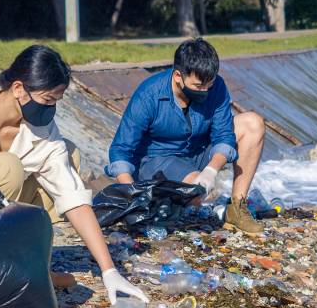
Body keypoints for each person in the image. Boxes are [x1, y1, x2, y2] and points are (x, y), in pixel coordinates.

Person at [0, 45, 148, 306]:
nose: (51, 108)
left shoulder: (41, 129)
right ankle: (2, 263)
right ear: (19, 88)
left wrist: (109, 270)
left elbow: (72, 197)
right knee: (8, 167)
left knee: (68, 154)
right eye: (47, 100)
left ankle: (9, 261)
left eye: (57, 101)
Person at [105, 38, 266, 235]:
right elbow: (121, 149)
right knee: (195, 193)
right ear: (178, 76)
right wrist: (131, 193)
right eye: (198, 85)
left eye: (210, 84)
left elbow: (223, 135)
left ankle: (237, 208)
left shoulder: (217, 87)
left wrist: (211, 170)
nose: (205, 90)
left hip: (197, 152)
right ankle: (158, 203)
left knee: (252, 123)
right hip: (156, 162)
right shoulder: (149, 94)